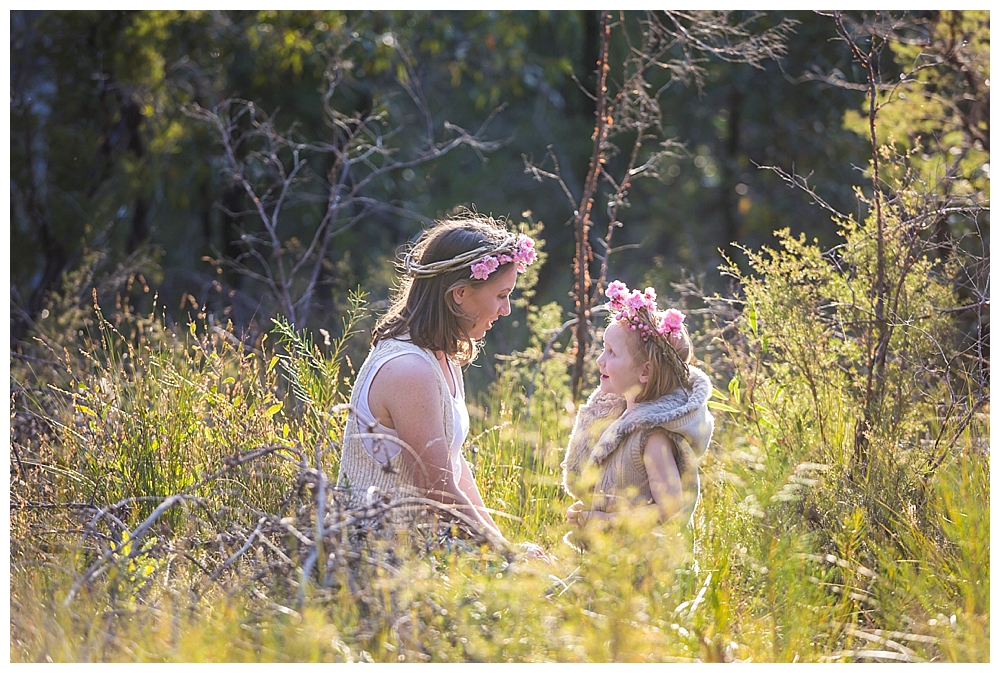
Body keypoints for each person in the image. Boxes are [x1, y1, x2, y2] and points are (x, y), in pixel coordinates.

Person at [338, 212, 544, 555]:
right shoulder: (408, 369)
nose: (506, 309)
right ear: (460, 293)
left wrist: (506, 547)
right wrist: (508, 557)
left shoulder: (441, 357)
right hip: (380, 551)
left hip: (423, 542)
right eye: (501, 295)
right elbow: (437, 493)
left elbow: (453, 469)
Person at [562, 280, 715, 529]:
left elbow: (672, 509)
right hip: (612, 560)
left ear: (645, 371)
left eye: (612, 352)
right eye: (604, 349)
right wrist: (588, 512)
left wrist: (608, 522)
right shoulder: (618, 423)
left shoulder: (652, 437)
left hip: (647, 565)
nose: (600, 360)